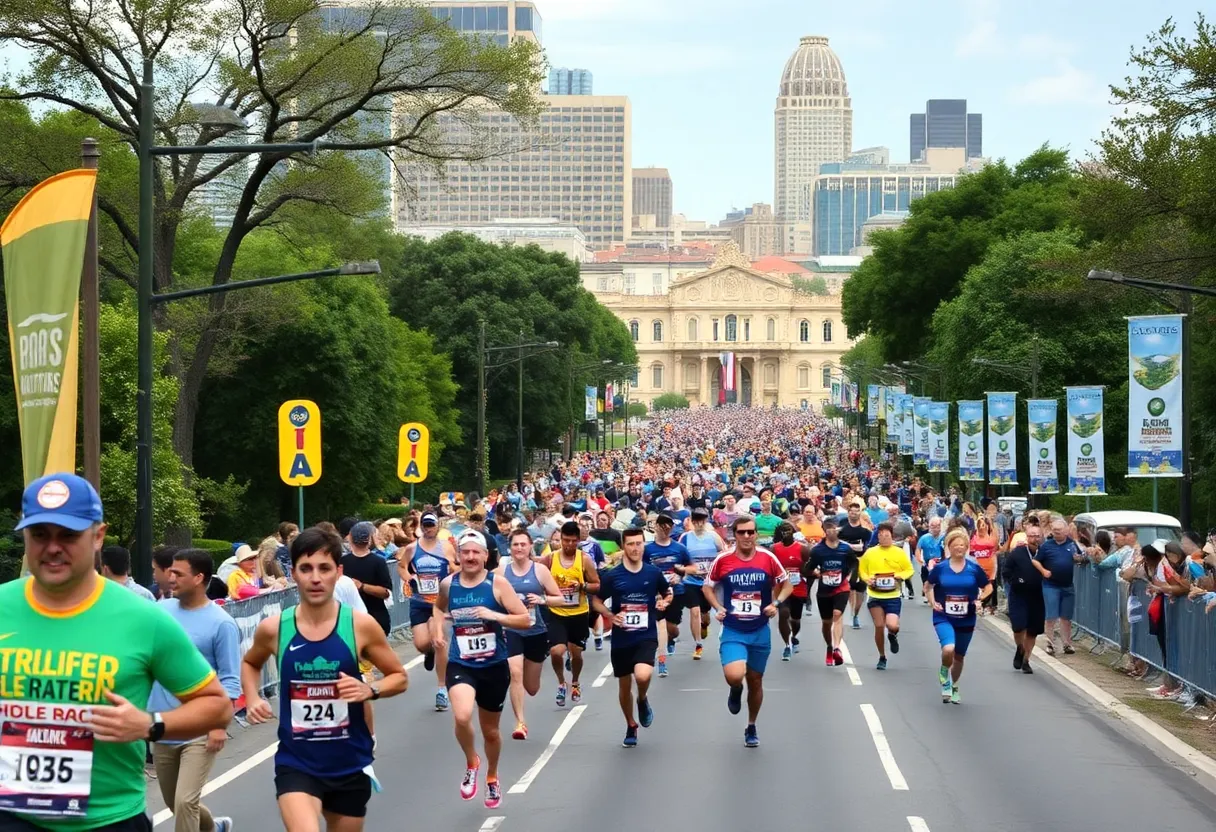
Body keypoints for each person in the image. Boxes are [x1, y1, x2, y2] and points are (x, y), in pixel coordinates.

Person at [1, 473, 232, 831]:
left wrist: (151, 724)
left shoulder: (143, 618)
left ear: (98, 536)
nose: (52, 547)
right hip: (14, 816)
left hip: (109, 820)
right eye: (40, 535)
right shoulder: (3, 605)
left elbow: (217, 706)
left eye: (68, 535)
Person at [242, 527, 408, 831]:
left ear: (338, 572)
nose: (315, 578)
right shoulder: (274, 628)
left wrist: (369, 689)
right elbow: (251, 663)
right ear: (293, 573)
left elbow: (399, 677)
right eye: (305, 568)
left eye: (324, 568)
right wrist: (252, 697)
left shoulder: (360, 625)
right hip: (297, 761)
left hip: (349, 761)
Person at [432, 530, 532, 808]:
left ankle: (491, 776)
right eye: (466, 552)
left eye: (476, 552)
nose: (471, 557)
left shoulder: (497, 584)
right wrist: (438, 630)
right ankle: (471, 761)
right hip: (461, 663)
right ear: (459, 556)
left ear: (486, 556)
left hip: (493, 666)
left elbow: (525, 619)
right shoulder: (448, 585)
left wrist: (494, 615)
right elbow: (438, 609)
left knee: (490, 732)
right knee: (462, 716)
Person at [149, 549, 241, 832]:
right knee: (173, 802)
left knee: (185, 801)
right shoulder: (159, 613)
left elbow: (230, 680)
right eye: (170, 572)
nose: (170, 578)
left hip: (201, 725)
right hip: (163, 724)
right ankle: (213, 827)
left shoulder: (222, 623)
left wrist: (218, 726)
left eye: (178, 573)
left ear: (199, 578)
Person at [703, 516, 791, 748]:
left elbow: (787, 583)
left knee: (756, 679)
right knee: (735, 674)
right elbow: (707, 587)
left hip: (760, 628)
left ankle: (751, 725)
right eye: (741, 532)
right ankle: (735, 688)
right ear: (734, 535)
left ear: (756, 535)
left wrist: (776, 604)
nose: (746, 536)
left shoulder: (767, 558)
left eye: (751, 532)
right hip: (733, 628)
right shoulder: (723, 560)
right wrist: (718, 607)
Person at [592, 527, 673, 747]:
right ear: (623, 547)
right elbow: (597, 600)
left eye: (639, 544)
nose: (635, 548)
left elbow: (668, 592)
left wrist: (664, 602)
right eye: (630, 544)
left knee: (643, 675)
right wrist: (610, 615)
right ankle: (630, 724)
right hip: (622, 638)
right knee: (624, 685)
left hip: (646, 634)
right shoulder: (613, 575)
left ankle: (643, 698)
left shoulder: (652, 572)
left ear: (643, 545)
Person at [495, 528, 563, 741]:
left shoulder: (540, 571)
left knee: (531, 688)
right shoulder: (502, 571)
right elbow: (490, 595)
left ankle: (528, 670)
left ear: (530, 546)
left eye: (523, 544)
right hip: (511, 629)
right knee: (514, 672)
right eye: (515, 544)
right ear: (510, 547)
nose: (519, 548)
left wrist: (542, 600)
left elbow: (559, 598)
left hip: (536, 630)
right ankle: (520, 723)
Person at [397, 512, 457, 711]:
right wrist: (410, 578)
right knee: (422, 644)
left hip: (440, 603)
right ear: (421, 526)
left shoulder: (446, 547)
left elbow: (457, 566)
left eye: (431, 525)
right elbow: (401, 567)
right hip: (419, 601)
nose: (428, 528)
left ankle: (442, 690)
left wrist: (451, 570)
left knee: (439, 640)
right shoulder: (412, 548)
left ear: (437, 526)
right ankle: (428, 651)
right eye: (425, 525)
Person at [925, 528, 992, 704]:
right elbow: (928, 586)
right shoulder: (940, 568)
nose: (959, 548)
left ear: (967, 547)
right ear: (949, 547)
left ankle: (954, 686)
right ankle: (944, 671)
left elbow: (988, 587)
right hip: (943, 615)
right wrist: (933, 602)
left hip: (967, 616)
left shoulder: (973, 568)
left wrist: (979, 599)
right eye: (956, 545)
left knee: (960, 656)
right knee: (949, 648)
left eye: (962, 545)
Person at [539, 521, 601, 707]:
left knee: (576, 654)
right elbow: (536, 576)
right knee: (556, 652)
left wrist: (582, 586)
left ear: (578, 541)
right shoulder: (550, 559)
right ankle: (561, 683)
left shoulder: (584, 560)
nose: (569, 545)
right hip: (557, 613)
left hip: (578, 613)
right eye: (566, 540)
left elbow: (597, 584)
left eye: (573, 541)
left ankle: (575, 681)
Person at [858, 522, 914, 670]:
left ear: (892, 536)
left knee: (892, 625)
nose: (884, 538)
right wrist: (867, 579)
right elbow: (862, 570)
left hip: (893, 594)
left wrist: (899, 576)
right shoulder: (870, 552)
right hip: (875, 594)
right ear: (878, 537)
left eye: (887, 535)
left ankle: (892, 635)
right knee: (878, 625)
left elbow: (909, 570)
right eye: (881, 535)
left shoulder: (898, 552)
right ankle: (882, 656)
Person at [642, 513, 689, 677]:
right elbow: (642, 569)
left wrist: (681, 574)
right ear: (655, 527)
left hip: (676, 592)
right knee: (659, 626)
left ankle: (671, 639)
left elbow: (691, 567)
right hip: (657, 594)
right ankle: (661, 661)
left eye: (668, 525)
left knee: (672, 629)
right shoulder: (647, 549)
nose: (665, 528)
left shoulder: (679, 548)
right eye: (661, 525)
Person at [805, 517, 856, 667]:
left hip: (841, 587)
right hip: (824, 590)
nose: (833, 532)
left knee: (837, 614)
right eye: (830, 530)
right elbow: (808, 568)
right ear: (825, 532)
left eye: (835, 529)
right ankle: (829, 646)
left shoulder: (845, 549)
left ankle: (837, 648)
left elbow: (854, 563)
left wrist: (850, 576)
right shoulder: (818, 550)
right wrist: (817, 573)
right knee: (826, 623)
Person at [1032, 518, 1084, 656]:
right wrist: (1044, 571)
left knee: (1066, 616)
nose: (1056, 533)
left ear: (1066, 531)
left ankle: (1067, 643)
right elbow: (1035, 561)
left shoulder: (1072, 544)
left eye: (1059, 531)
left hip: (1067, 585)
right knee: (1051, 615)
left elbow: (1080, 558)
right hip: (1051, 585)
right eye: (1054, 531)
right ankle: (1050, 643)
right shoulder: (1047, 545)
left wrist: (1079, 558)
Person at [678, 506, 725, 655]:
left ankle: (704, 625)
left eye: (702, 521)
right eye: (696, 521)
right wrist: (684, 570)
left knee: (705, 614)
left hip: (709, 583)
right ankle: (698, 645)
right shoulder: (685, 537)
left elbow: (723, 553)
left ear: (706, 521)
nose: (699, 524)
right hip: (691, 581)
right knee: (695, 611)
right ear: (692, 522)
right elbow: (679, 558)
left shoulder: (713, 537)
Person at [1002, 522, 1046, 674]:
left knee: (1033, 630)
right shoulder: (1017, 552)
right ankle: (1020, 648)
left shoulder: (1045, 552)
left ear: (1042, 537)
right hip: (1019, 594)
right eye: (1031, 536)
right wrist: (1016, 580)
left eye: (1037, 536)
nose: (1035, 539)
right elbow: (1006, 571)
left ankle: (1026, 660)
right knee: (1018, 626)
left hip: (1038, 595)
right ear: (1027, 537)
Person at [770, 521, 811, 660]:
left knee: (795, 619)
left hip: (798, 587)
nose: (786, 533)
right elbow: (770, 568)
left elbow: (808, 568)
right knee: (783, 614)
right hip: (781, 588)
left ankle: (794, 635)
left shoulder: (802, 549)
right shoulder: (774, 549)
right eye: (783, 530)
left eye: (788, 530)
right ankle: (787, 645)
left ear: (793, 532)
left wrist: (806, 578)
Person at [837, 501, 870, 630]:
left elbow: (867, 547)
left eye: (857, 511)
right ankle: (852, 612)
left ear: (859, 513)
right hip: (847, 561)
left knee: (860, 589)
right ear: (848, 512)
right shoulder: (842, 528)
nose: (854, 514)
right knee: (850, 586)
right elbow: (836, 542)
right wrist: (851, 546)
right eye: (851, 511)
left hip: (861, 560)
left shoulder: (864, 531)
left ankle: (856, 612)